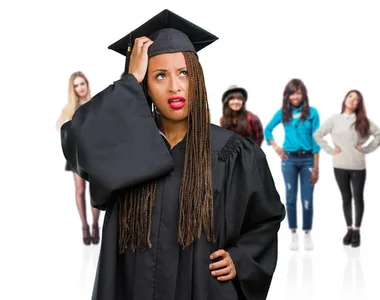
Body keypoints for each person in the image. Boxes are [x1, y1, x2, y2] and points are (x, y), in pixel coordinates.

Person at [60, 9, 285, 300]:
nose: (175, 86)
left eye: (184, 73)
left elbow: (266, 220)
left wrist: (240, 258)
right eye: (159, 76)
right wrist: (129, 80)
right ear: (146, 87)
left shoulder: (233, 153)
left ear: (197, 80)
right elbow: (77, 140)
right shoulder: (124, 149)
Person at [313, 90, 380, 247]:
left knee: (358, 198)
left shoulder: (362, 120)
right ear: (345, 99)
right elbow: (317, 134)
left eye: (356, 99)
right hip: (339, 165)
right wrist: (331, 150)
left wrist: (365, 149)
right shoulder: (334, 119)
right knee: (346, 198)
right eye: (350, 97)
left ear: (359, 104)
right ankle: (349, 229)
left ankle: (357, 230)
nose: (353, 101)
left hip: (358, 165)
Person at [264, 78, 320, 251]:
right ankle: (294, 233)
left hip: (308, 160)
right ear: (287, 96)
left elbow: (316, 140)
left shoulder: (312, 112)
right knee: (290, 197)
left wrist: (316, 168)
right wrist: (276, 148)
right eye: (292, 93)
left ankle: (307, 232)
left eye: (298, 92)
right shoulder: (283, 112)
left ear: (303, 94)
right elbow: (268, 130)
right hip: (289, 159)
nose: (295, 96)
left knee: (307, 198)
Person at [56, 71, 101, 246]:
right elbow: (59, 126)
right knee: (80, 190)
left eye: (82, 83)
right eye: (76, 85)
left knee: (94, 190)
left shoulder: (95, 103)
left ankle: (95, 225)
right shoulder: (69, 108)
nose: (80, 88)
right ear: (72, 88)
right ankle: (84, 226)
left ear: (87, 85)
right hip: (76, 153)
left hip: (94, 152)